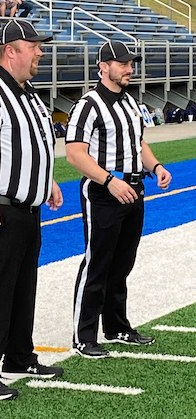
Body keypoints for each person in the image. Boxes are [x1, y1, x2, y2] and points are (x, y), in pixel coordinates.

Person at [0, 19, 63, 400]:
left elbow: (31, 145)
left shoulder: (29, 92)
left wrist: (46, 182)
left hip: (27, 208)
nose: (40, 51)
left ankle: (19, 356)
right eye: (34, 45)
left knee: (24, 286)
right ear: (10, 50)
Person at [65, 41, 172, 359]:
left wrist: (155, 166)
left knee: (122, 263)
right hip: (103, 191)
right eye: (123, 63)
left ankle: (116, 327)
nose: (130, 68)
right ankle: (84, 336)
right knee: (97, 263)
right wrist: (110, 181)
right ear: (103, 67)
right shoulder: (88, 104)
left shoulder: (130, 104)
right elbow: (74, 154)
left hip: (134, 189)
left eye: (131, 63)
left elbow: (138, 143)